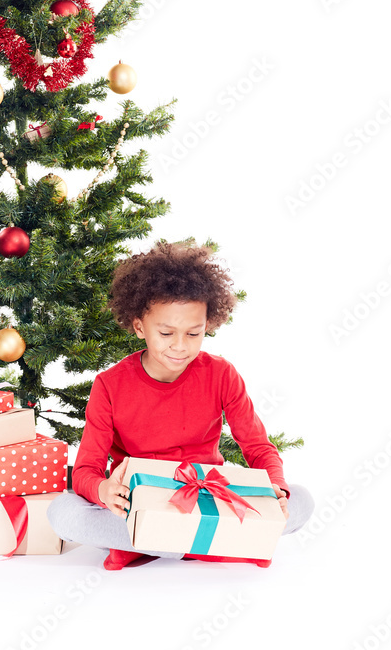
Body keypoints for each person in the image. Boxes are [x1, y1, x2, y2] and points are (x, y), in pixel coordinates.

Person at [46, 239, 314, 569]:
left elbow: (259, 449)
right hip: (140, 503)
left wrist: (277, 489)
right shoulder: (110, 385)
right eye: (166, 333)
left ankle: (153, 542)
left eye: (193, 333)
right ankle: (215, 542)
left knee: (301, 500)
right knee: (62, 513)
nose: (180, 347)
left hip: (209, 500)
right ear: (139, 326)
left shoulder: (221, 374)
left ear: (207, 327)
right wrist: (103, 490)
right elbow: (86, 470)